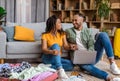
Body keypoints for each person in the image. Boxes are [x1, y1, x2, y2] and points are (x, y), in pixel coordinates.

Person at [65, 13, 120, 81]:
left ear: (82, 21)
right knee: (86, 66)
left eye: (76, 20)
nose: (73, 22)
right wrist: (70, 45)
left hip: (91, 56)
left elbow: (91, 45)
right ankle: (109, 77)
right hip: (79, 59)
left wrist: (89, 54)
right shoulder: (68, 31)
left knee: (103, 34)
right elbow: (63, 43)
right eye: (72, 20)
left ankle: (112, 63)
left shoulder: (88, 31)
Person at [41, 15, 73, 80]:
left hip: (57, 58)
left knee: (70, 65)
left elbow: (66, 46)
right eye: (59, 22)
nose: (60, 24)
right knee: (55, 45)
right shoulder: (45, 35)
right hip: (48, 58)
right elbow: (44, 49)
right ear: (53, 24)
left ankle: (48, 67)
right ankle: (60, 69)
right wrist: (52, 51)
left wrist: (70, 47)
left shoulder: (62, 34)